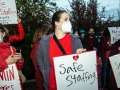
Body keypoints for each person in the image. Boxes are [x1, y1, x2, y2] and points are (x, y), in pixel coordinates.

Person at [36, 10, 86, 90]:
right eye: (66, 19)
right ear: (57, 23)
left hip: (72, 84)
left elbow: (82, 63)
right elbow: (39, 56)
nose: (69, 22)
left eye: (69, 20)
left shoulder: (75, 40)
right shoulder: (45, 41)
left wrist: (82, 54)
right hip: (53, 86)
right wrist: (44, 72)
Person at [0, 23, 24, 89]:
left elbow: (19, 67)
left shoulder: (12, 48)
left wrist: (20, 60)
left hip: (15, 85)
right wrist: (6, 63)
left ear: (3, 33)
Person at [31, 25, 48, 90]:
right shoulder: (38, 45)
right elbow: (37, 65)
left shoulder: (42, 44)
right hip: (42, 79)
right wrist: (44, 77)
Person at [100, 25, 113, 90]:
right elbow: (104, 47)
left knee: (109, 71)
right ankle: (102, 85)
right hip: (105, 56)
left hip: (111, 56)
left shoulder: (113, 37)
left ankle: (107, 84)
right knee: (104, 71)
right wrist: (111, 46)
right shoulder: (103, 37)